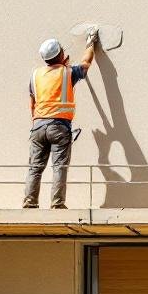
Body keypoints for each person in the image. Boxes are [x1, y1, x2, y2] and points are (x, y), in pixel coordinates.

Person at [23, 31, 100, 208]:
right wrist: (90, 43)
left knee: (35, 167)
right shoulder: (68, 73)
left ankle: (29, 202)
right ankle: (57, 204)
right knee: (59, 167)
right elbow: (86, 63)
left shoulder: (35, 75)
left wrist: (38, 123)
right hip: (59, 126)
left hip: (38, 126)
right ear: (60, 54)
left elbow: (32, 103)